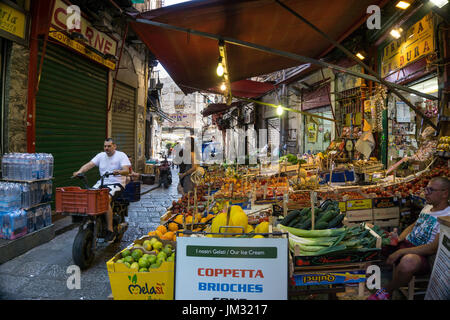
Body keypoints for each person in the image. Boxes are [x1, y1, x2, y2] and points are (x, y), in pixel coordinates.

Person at [368, 176, 450, 300]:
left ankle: (386, 290)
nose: (425, 193)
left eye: (430, 190)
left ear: (445, 193)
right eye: (425, 189)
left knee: (408, 261)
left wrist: (401, 252)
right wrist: (399, 238)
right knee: (369, 229)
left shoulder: (447, 217)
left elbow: (432, 248)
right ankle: (359, 277)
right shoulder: (428, 207)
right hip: (406, 244)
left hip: (422, 254)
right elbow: (413, 225)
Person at [73, 138, 131, 243]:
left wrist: (119, 172)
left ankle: (110, 230)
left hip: (116, 183)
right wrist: (79, 171)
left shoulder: (121, 155)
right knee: (89, 196)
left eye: (109, 146)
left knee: (104, 199)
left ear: (114, 146)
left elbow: (126, 171)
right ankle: (93, 220)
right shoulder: (100, 156)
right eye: (105, 146)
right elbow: (89, 164)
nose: (106, 148)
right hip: (102, 183)